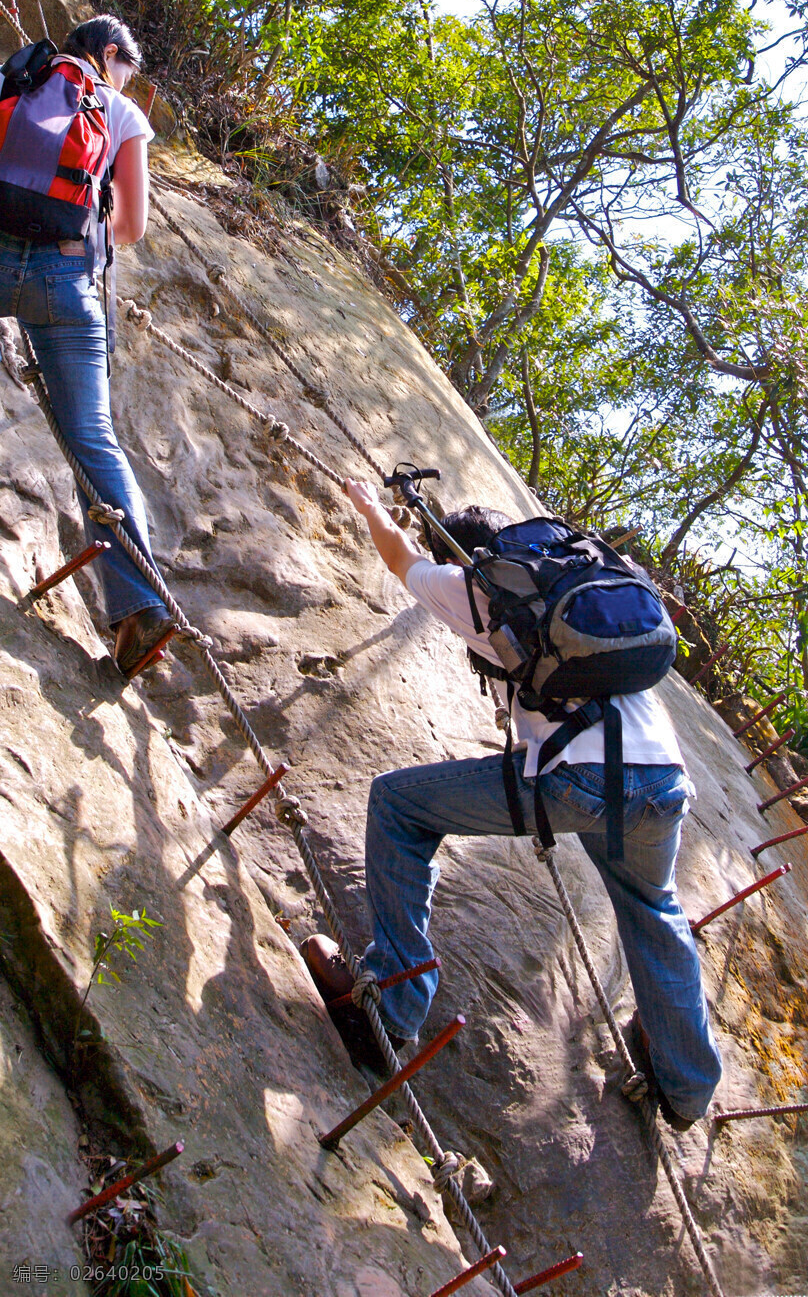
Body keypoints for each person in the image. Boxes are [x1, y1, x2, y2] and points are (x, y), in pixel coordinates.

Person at [301, 479, 723, 1130]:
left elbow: (401, 558)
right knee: (653, 904)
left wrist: (368, 505)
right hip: (663, 780)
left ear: (471, 561)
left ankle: (392, 1004)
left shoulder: (483, 593)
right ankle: (688, 1083)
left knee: (398, 806)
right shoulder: (578, 593)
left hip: (576, 780)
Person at [0, 15, 172, 677]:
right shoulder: (119, 114)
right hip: (67, 288)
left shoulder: (10, 77)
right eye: (126, 72)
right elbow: (131, 228)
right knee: (93, 435)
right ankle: (141, 602)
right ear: (110, 55)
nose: (124, 84)